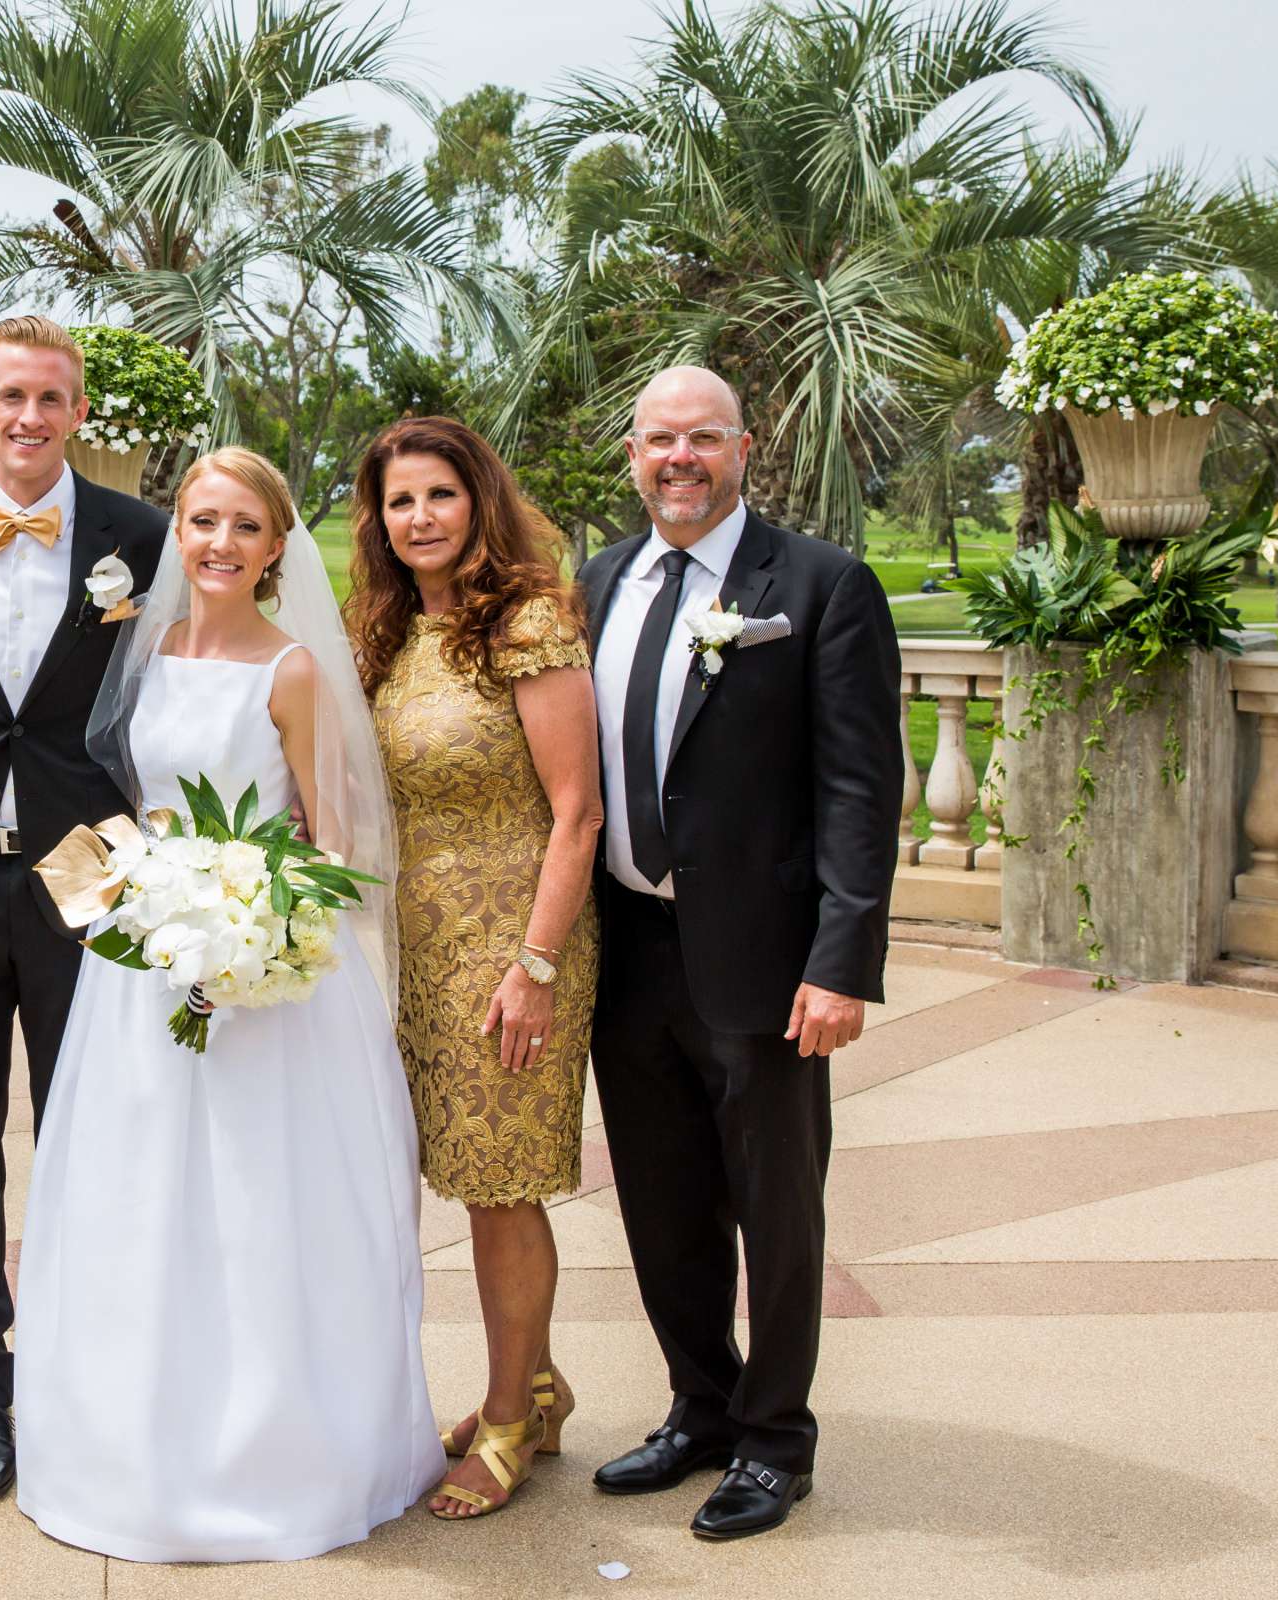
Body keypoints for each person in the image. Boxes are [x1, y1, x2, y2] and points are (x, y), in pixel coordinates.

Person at [12, 447, 439, 1563]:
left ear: (275, 545)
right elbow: (142, 807)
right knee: (139, 1196)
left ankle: (272, 1453)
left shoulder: (293, 670)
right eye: (202, 520)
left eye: (245, 526)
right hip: (141, 961)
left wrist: (257, 919)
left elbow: (337, 844)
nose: (219, 543)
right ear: (179, 532)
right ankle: (128, 1447)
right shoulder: (146, 656)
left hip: (265, 980)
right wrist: (144, 884)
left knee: (258, 1207)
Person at [579, 366, 898, 1540]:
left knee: (777, 1206)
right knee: (662, 1206)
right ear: (633, 453)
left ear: (744, 447)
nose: (680, 457)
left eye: (702, 438)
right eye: (659, 439)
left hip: (766, 959)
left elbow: (863, 787)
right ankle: (699, 1407)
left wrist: (842, 958)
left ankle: (775, 1442)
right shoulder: (603, 581)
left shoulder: (819, 585)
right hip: (629, 950)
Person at [0, 316, 168, 1499]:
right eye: (10, 396)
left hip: (84, 872)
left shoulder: (138, 539)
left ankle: (81, 1372)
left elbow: (168, 693)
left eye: (51, 399)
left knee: (88, 1135)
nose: (28, 418)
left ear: (79, 413)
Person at [351, 417, 603, 1520]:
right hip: (420, 948)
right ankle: (538, 1388)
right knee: (460, 1171)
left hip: (515, 948)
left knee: (501, 1187)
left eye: (439, 496)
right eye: (400, 502)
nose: (420, 519)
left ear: (478, 500)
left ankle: (505, 1416)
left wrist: (536, 964)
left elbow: (577, 811)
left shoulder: (529, 620)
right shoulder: (395, 630)